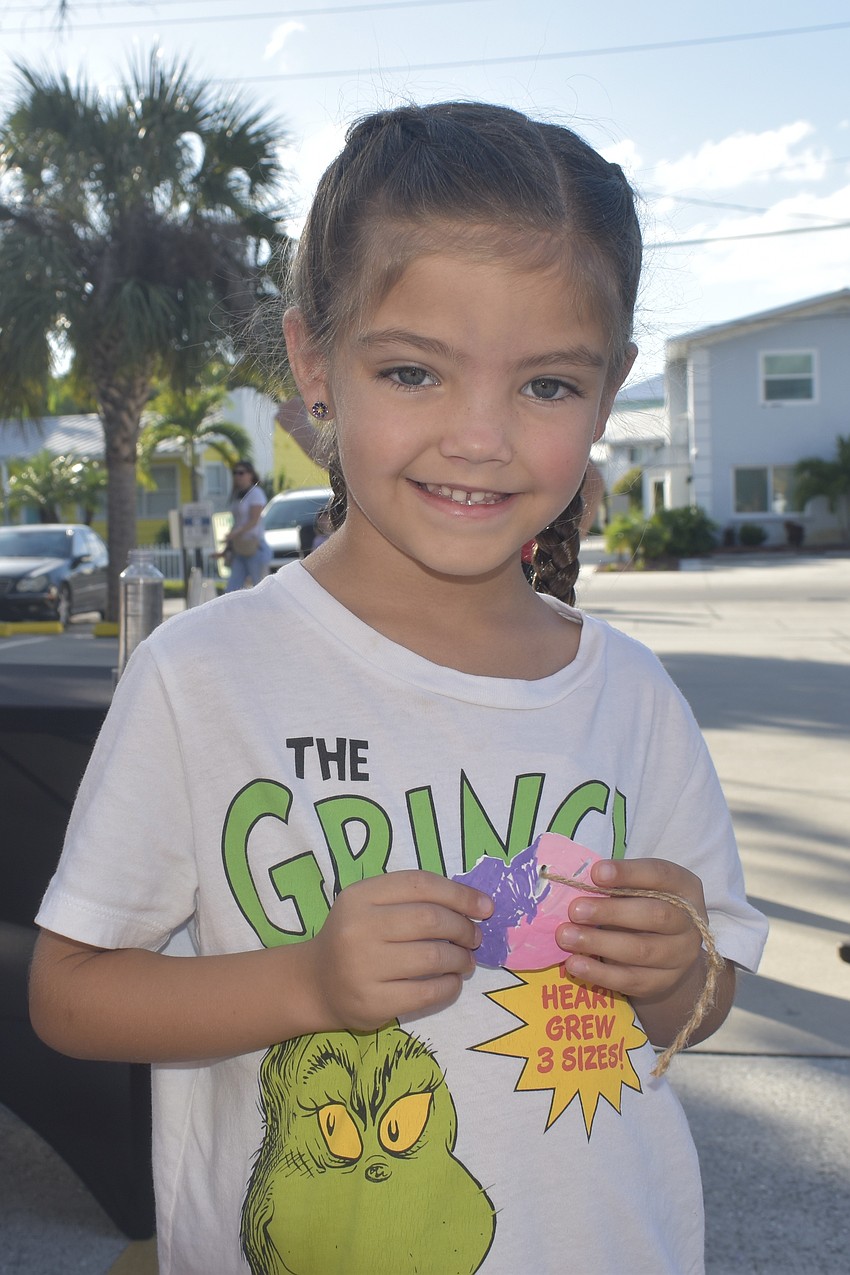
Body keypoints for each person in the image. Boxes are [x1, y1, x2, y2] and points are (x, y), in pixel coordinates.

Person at [30, 102, 767, 1275]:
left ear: (610, 389)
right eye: (414, 370)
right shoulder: (205, 675)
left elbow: (699, 1000)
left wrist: (675, 967)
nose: (479, 437)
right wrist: (307, 980)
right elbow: (69, 997)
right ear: (315, 364)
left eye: (546, 387)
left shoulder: (627, 694)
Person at [222, 460, 272, 591]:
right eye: (235, 473)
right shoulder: (237, 494)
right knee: (232, 589)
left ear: (250, 475)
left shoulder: (256, 493)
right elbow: (236, 522)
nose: (237, 476)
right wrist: (227, 547)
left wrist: (235, 533)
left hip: (254, 546)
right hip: (240, 547)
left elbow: (253, 521)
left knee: (260, 588)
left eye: (241, 473)